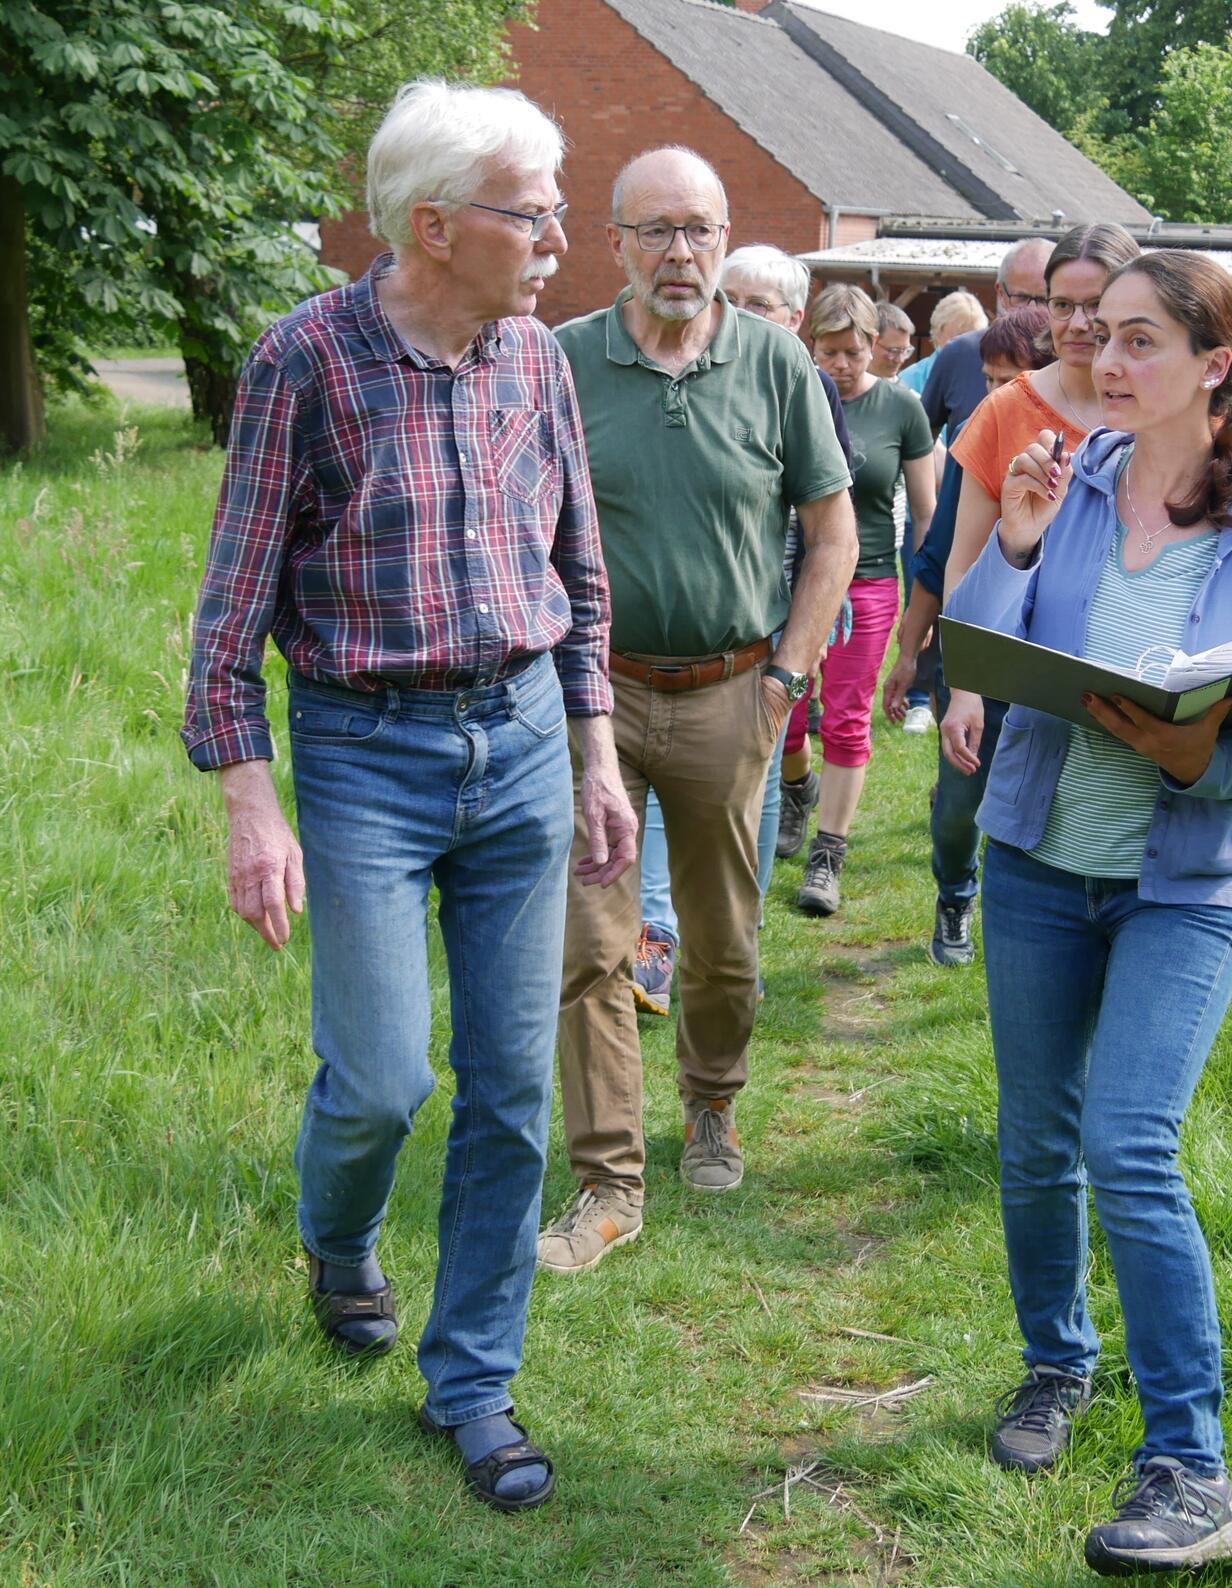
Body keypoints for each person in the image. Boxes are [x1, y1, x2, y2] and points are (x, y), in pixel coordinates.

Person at [180, 80, 637, 1512]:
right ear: (434, 225)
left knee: (510, 1096)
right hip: (366, 755)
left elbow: (579, 572)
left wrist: (598, 744)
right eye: (534, 210)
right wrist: (256, 810)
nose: (562, 235)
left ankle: (475, 1382)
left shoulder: (538, 362)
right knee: (381, 1081)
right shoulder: (302, 362)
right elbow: (225, 619)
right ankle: (339, 1241)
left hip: (520, 747)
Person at [944, 250, 1232, 1575]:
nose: (1106, 365)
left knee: (1130, 1146)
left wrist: (1195, 760)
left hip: (1184, 881)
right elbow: (981, 646)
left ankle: (1190, 1464)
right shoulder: (1075, 479)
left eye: (1139, 343)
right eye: (1096, 337)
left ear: (1214, 364)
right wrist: (1018, 537)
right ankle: (1056, 1366)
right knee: (1034, 1141)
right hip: (1045, 860)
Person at [541, 147, 856, 1275]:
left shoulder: (777, 363)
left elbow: (832, 538)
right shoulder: (563, 360)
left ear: (727, 241)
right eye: (658, 230)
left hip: (732, 693)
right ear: (615, 242)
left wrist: (784, 679)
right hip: (596, 699)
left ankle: (712, 1102)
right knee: (594, 945)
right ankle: (608, 1183)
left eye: (702, 230)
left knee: (722, 949)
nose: (682, 253)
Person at [627, 243, 854, 1019]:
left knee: (748, 798)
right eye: (740, 300)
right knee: (659, 809)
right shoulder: (687, 371)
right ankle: (654, 947)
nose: (749, 316)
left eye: (767, 306)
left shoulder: (802, 383)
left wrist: (799, 649)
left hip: (771, 632)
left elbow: (830, 521)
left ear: (795, 317)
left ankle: (737, 941)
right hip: (665, 657)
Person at [918, 224, 1141, 968]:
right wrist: (968, 687)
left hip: (1101, 659)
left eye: (1096, 305)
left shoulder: (1152, 413)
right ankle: (955, 890)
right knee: (959, 808)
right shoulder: (1006, 411)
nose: (1078, 325)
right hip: (1001, 654)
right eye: (1061, 305)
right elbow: (963, 561)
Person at [881, 306, 1049, 965]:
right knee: (958, 805)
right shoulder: (980, 439)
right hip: (973, 650)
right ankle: (954, 895)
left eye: (1015, 378)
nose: (999, 395)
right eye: (989, 379)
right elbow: (936, 550)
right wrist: (908, 657)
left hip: (1050, 657)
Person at [779, 284, 936, 916]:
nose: (841, 365)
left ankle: (827, 855)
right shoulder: (795, 395)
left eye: (853, 351)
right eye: (828, 351)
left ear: (875, 345)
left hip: (869, 580)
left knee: (845, 718)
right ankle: (797, 789)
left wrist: (923, 601)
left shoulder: (902, 409)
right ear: (809, 343)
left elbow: (925, 513)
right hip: (792, 578)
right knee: (785, 712)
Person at [918, 237, 1052, 446]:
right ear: (1000, 292)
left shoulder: (1069, 363)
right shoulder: (959, 355)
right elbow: (921, 440)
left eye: (1045, 300)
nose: (1032, 308)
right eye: (1021, 297)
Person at [872, 301, 937, 732]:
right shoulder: (826, 392)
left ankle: (916, 695)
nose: (898, 359)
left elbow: (923, 493)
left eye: (903, 351)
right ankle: (808, 701)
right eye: (890, 350)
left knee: (912, 607)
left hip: (895, 527)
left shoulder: (908, 401)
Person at [899, 288, 988, 396]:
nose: (966, 346)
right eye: (959, 339)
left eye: (974, 339)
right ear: (937, 333)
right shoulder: (909, 379)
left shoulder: (990, 379)